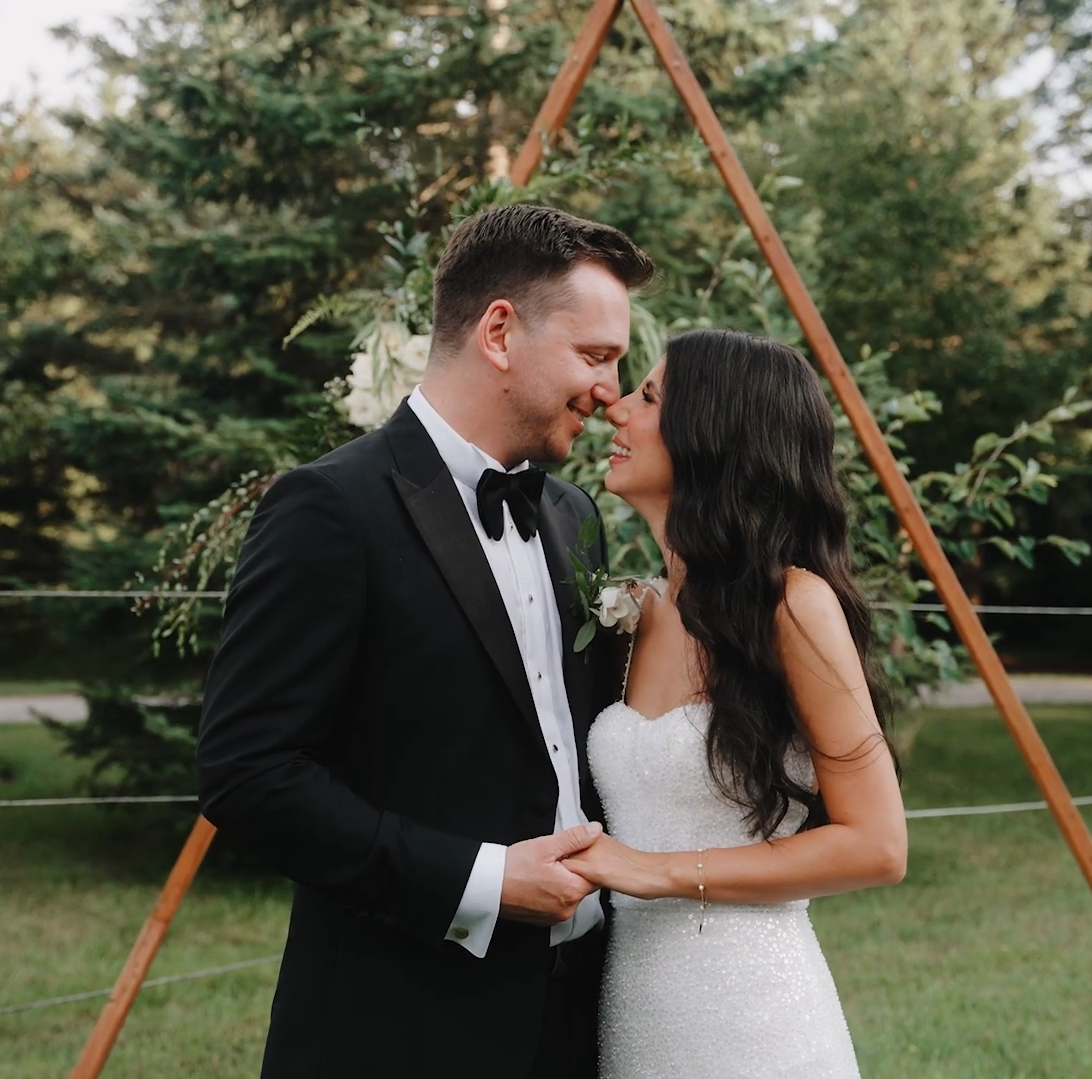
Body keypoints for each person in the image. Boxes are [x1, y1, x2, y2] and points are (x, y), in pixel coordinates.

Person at [196, 203, 655, 1077]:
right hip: (400, 1021)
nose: (610, 390)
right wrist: (480, 882)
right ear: (498, 333)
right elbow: (249, 773)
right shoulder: (330, 508)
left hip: (581, 1013)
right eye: (595, 356)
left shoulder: (573, 516)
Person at [564, 328, 909, 1078]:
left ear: (711, 436)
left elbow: (876, 845)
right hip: (636, 1007)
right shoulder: (632, 612)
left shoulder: (793, 606)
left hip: (754, 1013)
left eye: (648, 396)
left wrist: (651, 870)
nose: (615, 409)